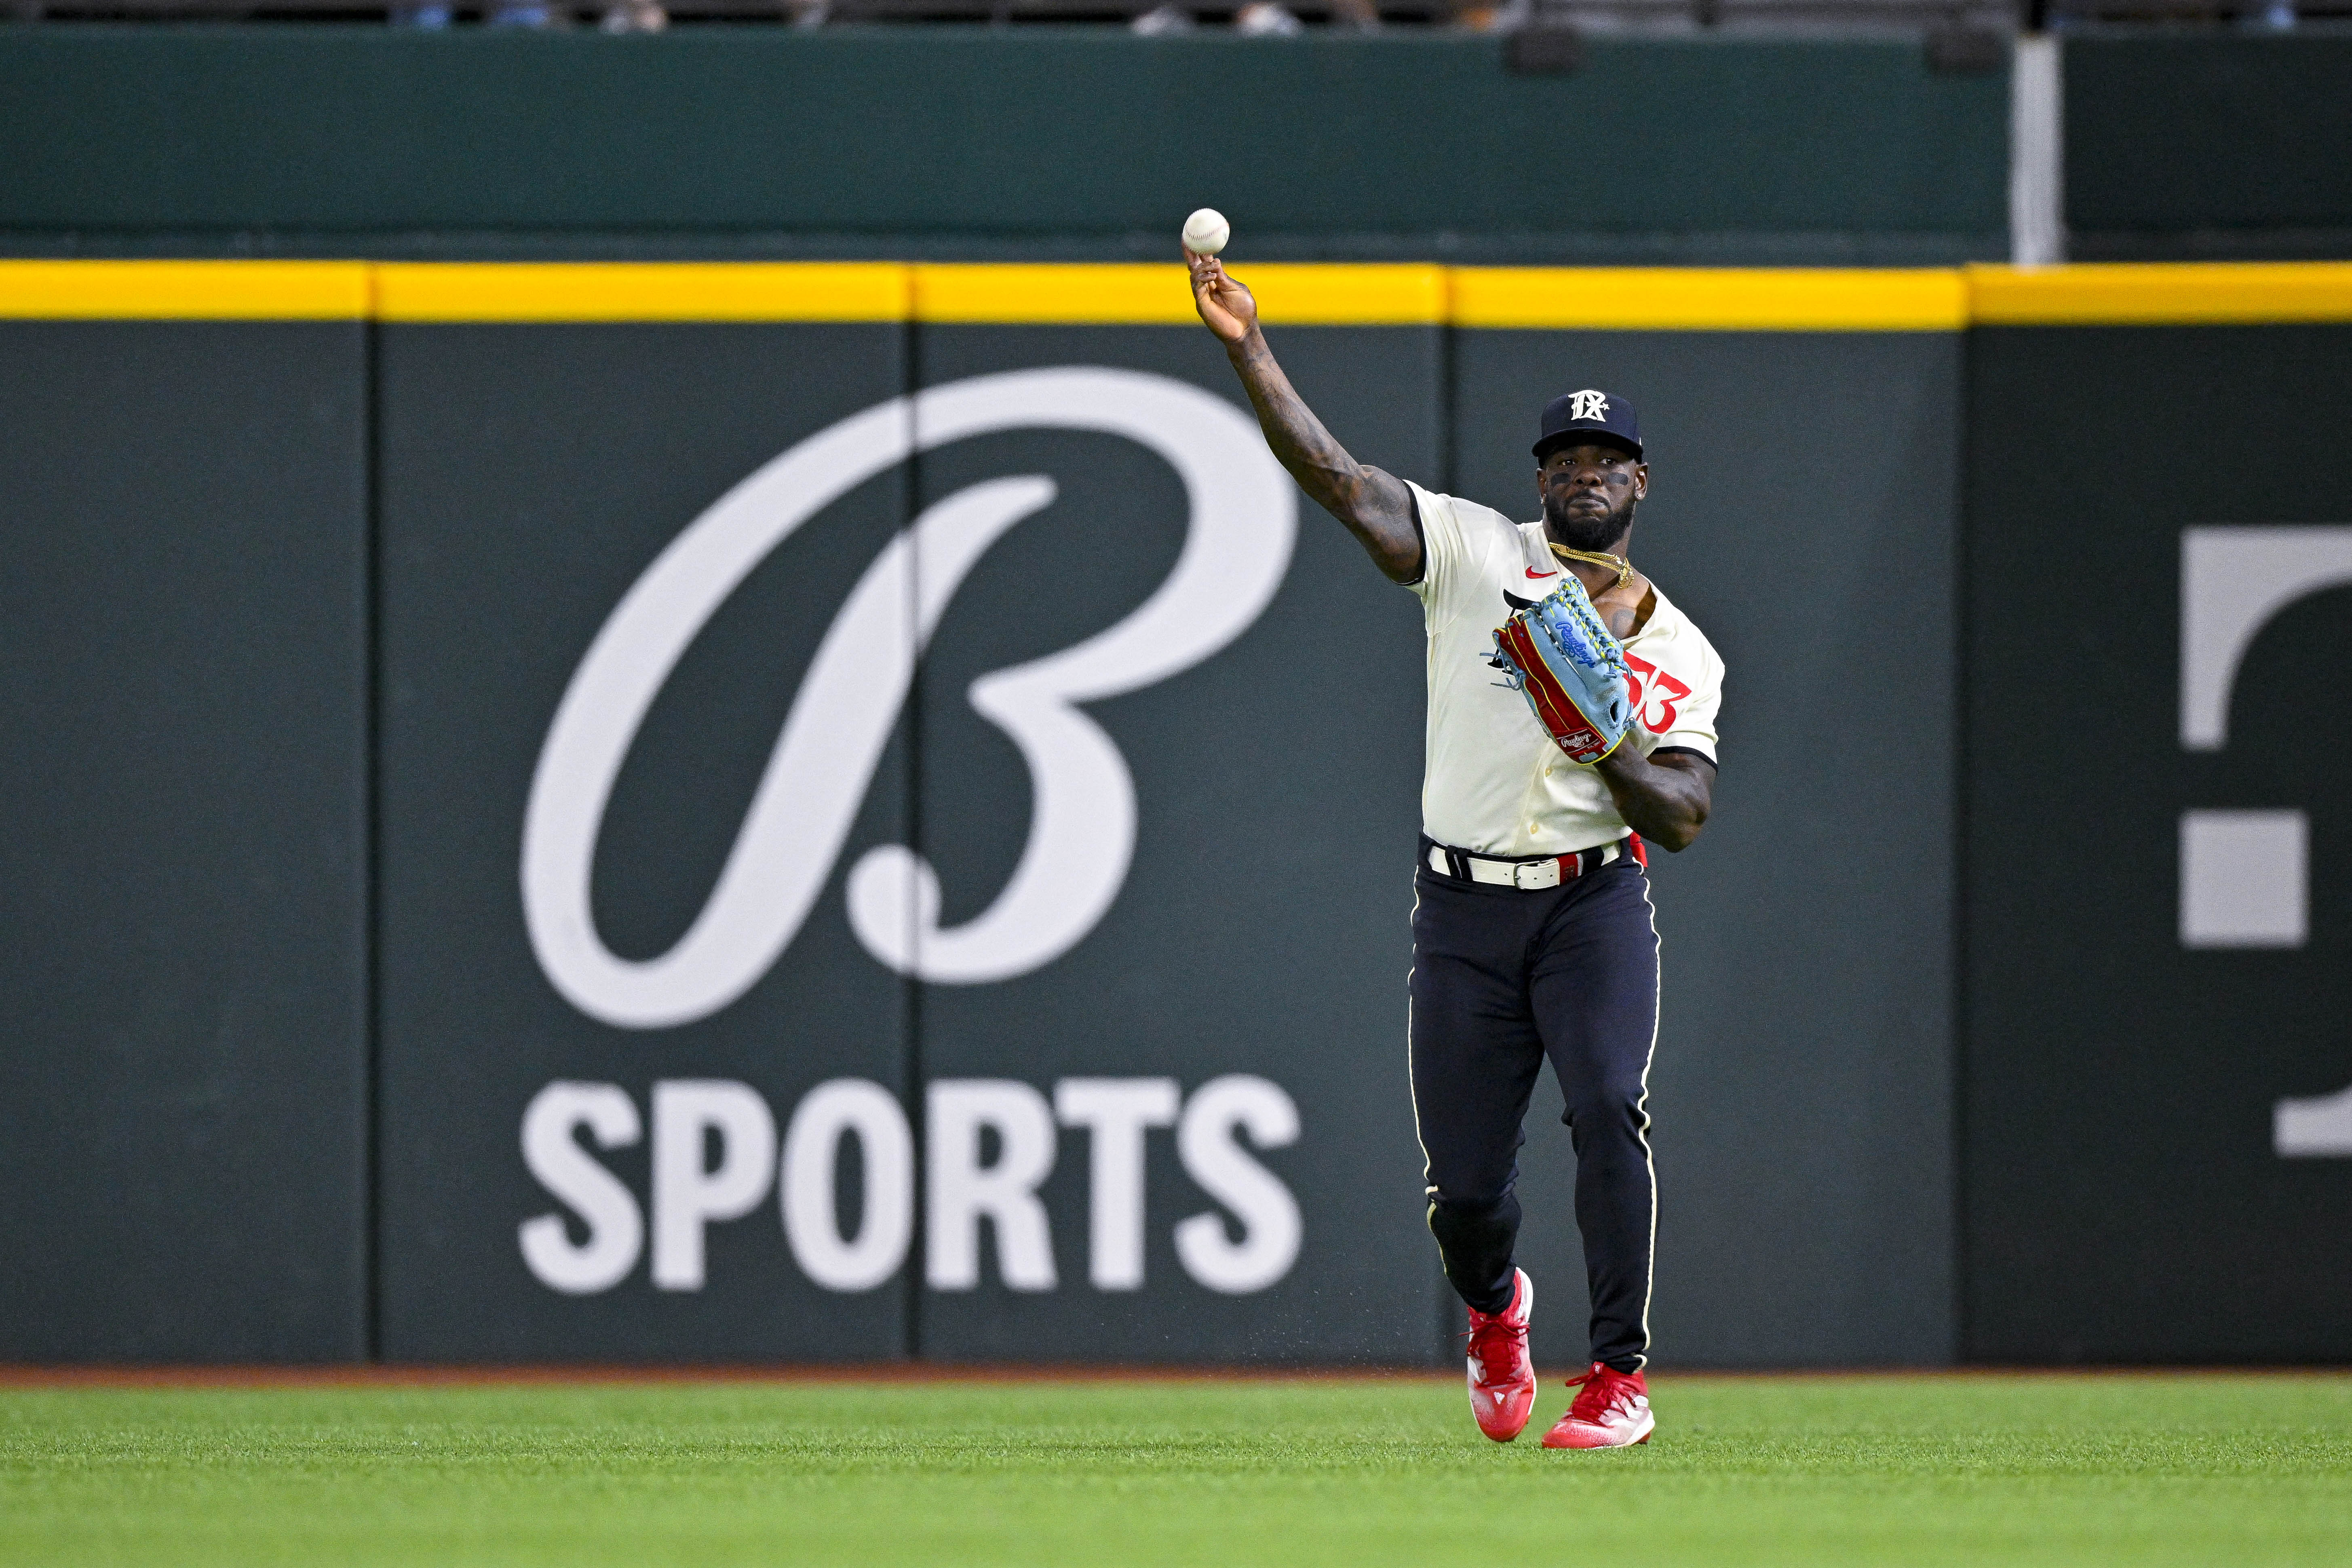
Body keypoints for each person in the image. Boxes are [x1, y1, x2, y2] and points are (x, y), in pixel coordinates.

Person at [1188, 250, 1724, 1449]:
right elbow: (1333, 478)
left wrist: (1607, 740)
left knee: (1605, 1106)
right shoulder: (1479, 556)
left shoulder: (1679, 645)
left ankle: (1620, 1378)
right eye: (1562, 463)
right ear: (1540, 481)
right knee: (1467, 1196)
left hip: (1591, 908)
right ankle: (1497, 1314)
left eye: (1603, 463)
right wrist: (1247, 348)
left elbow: (1681, 816)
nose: (1582, 477)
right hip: (1466, 911)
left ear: (1639, 483)